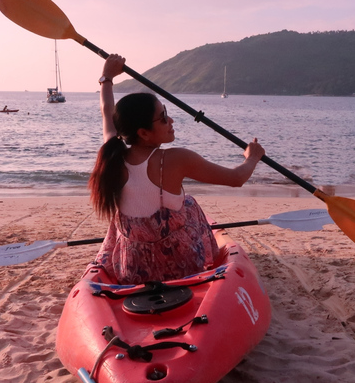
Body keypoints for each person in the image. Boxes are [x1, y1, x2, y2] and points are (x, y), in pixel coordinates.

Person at [89, 54, 265, 285]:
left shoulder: (113, 153)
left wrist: (107, 78)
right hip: (181, 268)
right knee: (189, 204)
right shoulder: (176, 159)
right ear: (143, 133)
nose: (171, 120)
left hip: (132, 269)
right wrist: (252, 157)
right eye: (162, 118)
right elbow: (237, 178)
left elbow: (106, 110)